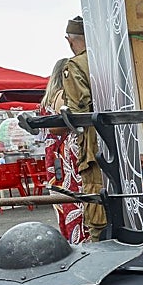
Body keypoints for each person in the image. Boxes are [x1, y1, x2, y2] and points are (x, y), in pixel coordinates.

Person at [60, 15, 108, 242]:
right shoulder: (113, 59)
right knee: (137, 202)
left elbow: (80, 111)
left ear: (70, 41)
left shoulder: (76, 65)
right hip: (127, 143)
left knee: (97, 208)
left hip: (95, 145)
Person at [41, 56, 87, 244]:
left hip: (55, 159)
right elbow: (59, 127)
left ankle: (71, 241)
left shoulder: (48, 99)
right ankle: (79, 242)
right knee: (75, 202)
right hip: (66, 157)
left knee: (65, 205)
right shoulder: (62, 95)